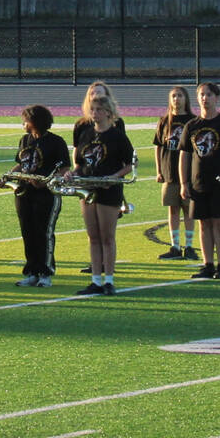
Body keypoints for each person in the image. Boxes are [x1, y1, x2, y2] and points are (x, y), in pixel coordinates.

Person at [69, 90, 133, 295]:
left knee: (107, 237)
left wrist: (114, 177)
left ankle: (109, 280)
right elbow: (80, 163)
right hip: (88, 189)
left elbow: (130, 164)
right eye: (93, 109)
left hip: (109, 190)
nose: (94, 113)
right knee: (93, 236)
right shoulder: (87, 134)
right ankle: (95, 280)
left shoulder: (117, 136)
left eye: (99, 110)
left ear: (108, 112)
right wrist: (72, 174)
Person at [179, 81, 220, 279]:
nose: (205, 98)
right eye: (201, 95)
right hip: (199, 183)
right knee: (203, 224)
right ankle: (208, 265)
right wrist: (183, 183)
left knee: (219, 223)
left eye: (208, 94)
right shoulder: (192, 125)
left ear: (216, 98)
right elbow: (184, 156)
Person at [10, 104, 70, 288]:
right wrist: (8, 175)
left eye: (26, 121)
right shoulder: (25, 140)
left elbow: (64, 168)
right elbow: (21, 163)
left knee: (44, 232)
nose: (23, 124)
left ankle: (45, 272)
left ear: (35, 122)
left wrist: (45, 181)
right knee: (28, 232)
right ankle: (32, 271)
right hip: (25, 193)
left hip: (46, 194)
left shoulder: (56, 142)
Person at [153, 86, 196, 263]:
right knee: (173, 209)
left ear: (186, 99)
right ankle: (175, 246)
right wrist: (159, 170)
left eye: (180, 96)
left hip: (188, 173)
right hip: (169, 172)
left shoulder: (192, 121)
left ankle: (189, 246)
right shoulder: (164, 121)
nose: (176, 99)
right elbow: (158, 146)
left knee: (188, 210)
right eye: (173, 96)